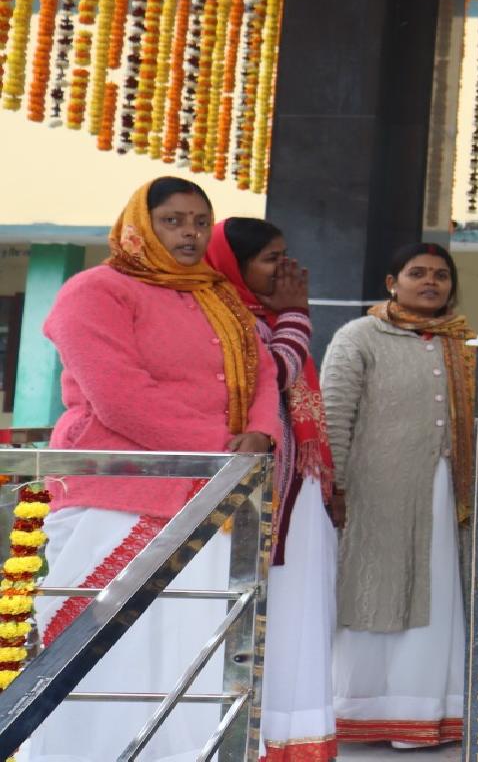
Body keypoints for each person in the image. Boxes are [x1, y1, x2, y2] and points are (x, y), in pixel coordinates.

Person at [34, 177, 282, 761]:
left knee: (192, 644)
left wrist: (260, 434)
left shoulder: (219, 297)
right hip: (119, 493)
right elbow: (118, 396)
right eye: (173, 221)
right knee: (109, 649)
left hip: (213, 491)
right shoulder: (95, 291)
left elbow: (264, 373)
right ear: (139, 226)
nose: (189, 233)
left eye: (199, 222)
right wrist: (223, 449)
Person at [322, 242, 474, 749]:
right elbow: (334, 416)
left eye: (441, 275)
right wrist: (334, 485)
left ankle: (430, 713)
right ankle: (365, 710)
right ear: (392, 282)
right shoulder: (359, 337)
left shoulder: (465, 344)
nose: (431, 282)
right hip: (375, 495)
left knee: (438, 596)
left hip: (445, 494)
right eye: (417, 273)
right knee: (375, 593)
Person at [206, 217, 338, 762]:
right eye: (270, 259)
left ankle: (291, 733)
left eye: (285, 255)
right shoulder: (224, 315)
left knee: (297, 608)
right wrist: (296, 317)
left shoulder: (267, 317)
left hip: (291, 486)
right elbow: (272, 374)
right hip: (251, 488)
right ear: (234, 264)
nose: (284, 269)